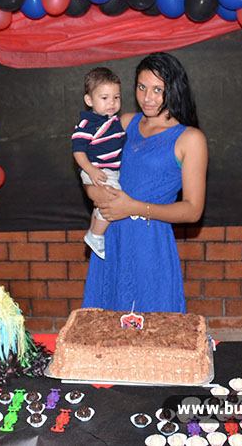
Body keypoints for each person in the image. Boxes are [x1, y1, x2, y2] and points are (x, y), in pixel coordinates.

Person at [81, 52, 208, 313]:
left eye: (158, 90)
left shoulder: (190, 139)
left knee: (153, 324)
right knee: (104, 323)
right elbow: (91, 167)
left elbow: (193, 210)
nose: (148, 97)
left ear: (174, 89)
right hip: (111, 236)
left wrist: (133, 207)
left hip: (149, 243)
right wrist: (94, 192)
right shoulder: (124, 123)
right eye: (142, 87)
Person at [71, 67, 127, 260]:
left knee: (103, 203)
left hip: (109, 169)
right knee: (113, 198)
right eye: (104, 98)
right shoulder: (87, 124)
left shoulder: (113, 121)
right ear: (89, 100)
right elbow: (78, 151)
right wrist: (91, 170)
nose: (112, 102)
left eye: (116, 97)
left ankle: (94, 231)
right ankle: (96, 235)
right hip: (97, 168)